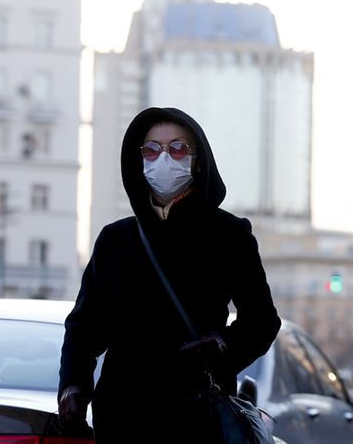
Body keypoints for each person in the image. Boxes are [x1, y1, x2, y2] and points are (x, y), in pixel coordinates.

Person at [58, 107, 281, 442]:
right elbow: (85, 327)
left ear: (198, 160)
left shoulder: (229, 234)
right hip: (124, 415)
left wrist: (222, 346)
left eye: (177, 148)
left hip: (197, 415)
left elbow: (262, 321)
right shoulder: (116, 239)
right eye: (151, 149)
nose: (163, 158)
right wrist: (73, 386)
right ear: (139, 161)